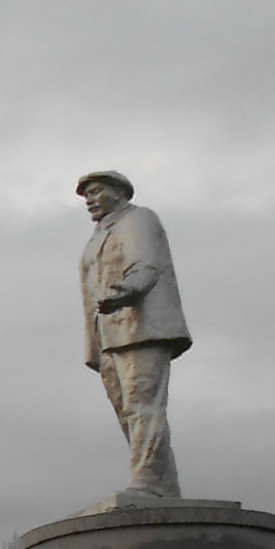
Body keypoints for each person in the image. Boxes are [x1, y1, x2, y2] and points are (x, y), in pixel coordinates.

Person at [77, 171, 190, 499]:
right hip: (108, 338)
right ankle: (164, 486)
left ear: (118, 192)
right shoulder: (97, 236)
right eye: (86, 195)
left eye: (95, 192)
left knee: (143, 406)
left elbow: (146, 267)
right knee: (131, 413)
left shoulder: (138, 219)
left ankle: (148, 483)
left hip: (141, 327)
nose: (89, 200)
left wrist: (124, 293)